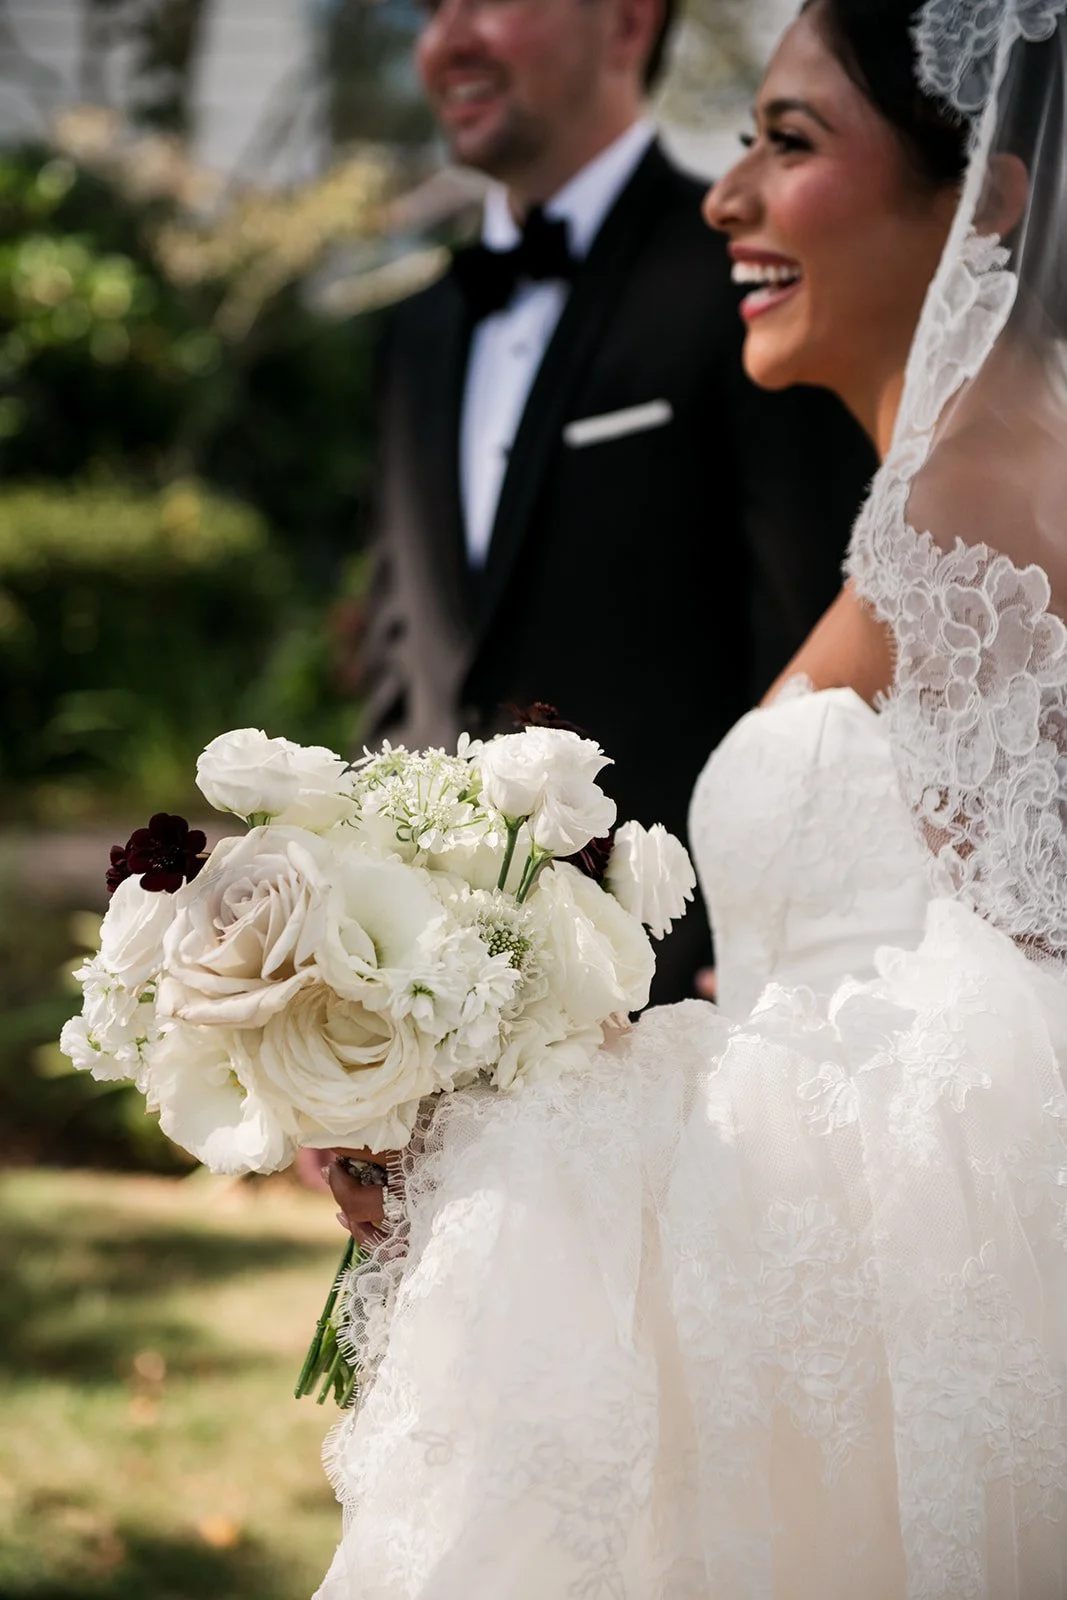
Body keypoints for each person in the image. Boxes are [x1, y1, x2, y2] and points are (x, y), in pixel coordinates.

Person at [319, 0, 1067, 1594]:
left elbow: (1007, 1061)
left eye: (786, 144)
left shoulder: (975, 495)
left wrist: (543, 1132)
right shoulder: (948, 493)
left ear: (989, 194)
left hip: (898, 1332)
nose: (725, 195)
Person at [362, 0, 876, 1004]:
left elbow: (822, 634)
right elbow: (401, 660)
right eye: (430, 10)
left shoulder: (756, 280)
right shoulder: (415, 330)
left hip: (679, 998)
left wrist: (769, 957)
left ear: (626, 20)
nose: (446, 39)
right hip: (429, 999)